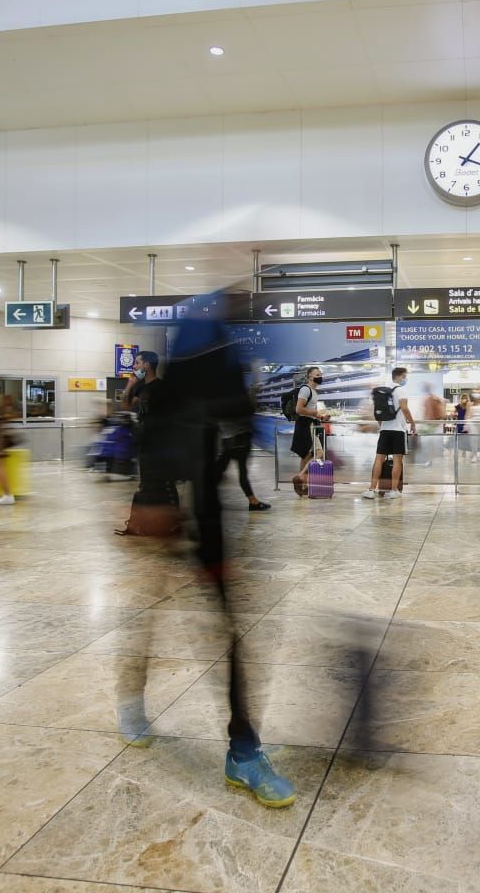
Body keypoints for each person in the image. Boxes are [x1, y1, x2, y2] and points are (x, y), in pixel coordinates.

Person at [117, 306, 296, 808]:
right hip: (162, 528)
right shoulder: (166, 399)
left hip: (204, 527)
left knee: (228, 637)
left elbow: (222, 460)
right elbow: (155, 466)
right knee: (147, 623)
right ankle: (131, 701)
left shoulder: (221, 391)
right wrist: (162, 528)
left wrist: (214, 547)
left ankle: (243, 750)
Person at [117, 351, 180, 536]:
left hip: (161, 446)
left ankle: (174, 522)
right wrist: (130, 385)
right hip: (145, 444)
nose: (134, 366)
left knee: (166, 483)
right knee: (146, 484)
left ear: (147, 365)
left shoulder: (163, 388)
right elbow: (126, 406)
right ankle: (140, 524)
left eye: (137, 363)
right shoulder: (140, 388)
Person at [363, 367, 415, 501]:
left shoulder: (383, 391)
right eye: (405, 376)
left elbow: (378, 414)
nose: (405, 379)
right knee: (398, 460)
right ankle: (393, 490)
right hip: (398, 430)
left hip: (385, 430)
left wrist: (383, 426)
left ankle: (371, 489)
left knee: (379, 459)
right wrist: (413, 423)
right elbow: (404, 408)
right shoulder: (402, 390)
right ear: (400, 376)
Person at [217, 414, 270, 511]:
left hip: (230, 439)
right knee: (239, 472)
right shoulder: (235, 403)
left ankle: (253, 501)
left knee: (220, 470)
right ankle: (253, 501)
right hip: (239, 440)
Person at [290, 367, 329, 497]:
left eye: (321, 374)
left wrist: (321, 417)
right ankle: (300, 477)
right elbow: (299, 409)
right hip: (305, 425)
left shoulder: (314, 391)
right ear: (310, 377)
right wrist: (315, 413)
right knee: (319, 453)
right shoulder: (305, 390)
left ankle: (303, 485)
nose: (320, 376)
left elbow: (311, 412)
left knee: (306, 456)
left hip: (310, 424)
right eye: (317, 374)